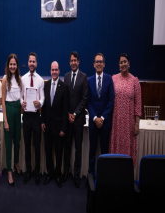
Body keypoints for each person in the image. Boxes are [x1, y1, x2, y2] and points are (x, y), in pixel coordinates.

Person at [109, 53, 141, 167]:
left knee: (127, 154)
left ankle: (126, 179)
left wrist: (137, 124)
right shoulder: (113, 79)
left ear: (129, 63)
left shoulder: (135, 81)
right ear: (119, 64)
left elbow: (138, 105)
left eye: (125, 62)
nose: (123, 64)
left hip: (129, 124)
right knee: (116, 152)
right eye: (121, 62)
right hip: (116, 122)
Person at [41, 61, 68, 188]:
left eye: (56, 70)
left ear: (59, 70)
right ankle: (50, 173)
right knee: (48, 151)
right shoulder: (46, 86)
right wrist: (42, 121)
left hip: (58, 128)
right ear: (50, 71)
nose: (54, 72)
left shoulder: (64, 87)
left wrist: (63, 128)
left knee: (58, 153)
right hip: (47, 126)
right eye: (52, 70)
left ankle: (58, 174)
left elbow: (65, 110)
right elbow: (45, 108)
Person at [63, 51, 88, 188]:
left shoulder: (84, 77)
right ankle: (66, 171)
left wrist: (75, 113)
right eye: (71, 60)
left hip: (78, 120)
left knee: (78, 149)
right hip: (68, 120)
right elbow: (65, 98)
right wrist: (68, 113)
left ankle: (76, 174)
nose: (73, 62)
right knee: (67, 147)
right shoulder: (66, 77)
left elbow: (84, 98)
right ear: (70, 62)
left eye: (75, 60)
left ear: (78, 62)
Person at [87, 53, 114, 177]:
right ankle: (91, 177)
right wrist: (94, 118)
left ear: (104, 64)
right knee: (92, 152)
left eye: (101, 61)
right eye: (97, 62)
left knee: (104, 152)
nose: (99, 64)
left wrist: (102, 118)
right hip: (93, 123)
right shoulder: (89, 80)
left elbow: (111, 101)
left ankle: (103, 177)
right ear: (93, 64)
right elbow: (88, 101)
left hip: (105, 123)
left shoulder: (109, 79)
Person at [21, 52, 45, 185]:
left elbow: (42, 97)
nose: (31, 63)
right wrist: (21, 102)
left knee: (37, 145)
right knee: (27, 146)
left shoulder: (40, 80)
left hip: (36, 116)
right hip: (26, 116)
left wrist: (39, 103)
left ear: (36, 63)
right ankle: (28, 171)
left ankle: (37, 172)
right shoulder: (23, 79)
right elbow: (20, 96)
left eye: (33, 61)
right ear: (28, 62)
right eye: (29, 61)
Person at [2, 54, 22, 186]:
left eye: (15, 64)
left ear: (17, 66)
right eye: (11, 64)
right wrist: (5, 120)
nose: (13, 66)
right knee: (9, 143)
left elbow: (22, 97)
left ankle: (16, 163)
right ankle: (9, 171)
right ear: (8, 65)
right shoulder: (4, 79)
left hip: (17, 110)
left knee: (18, 140)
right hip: (8, 110)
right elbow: (3, 101)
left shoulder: (20, 79)